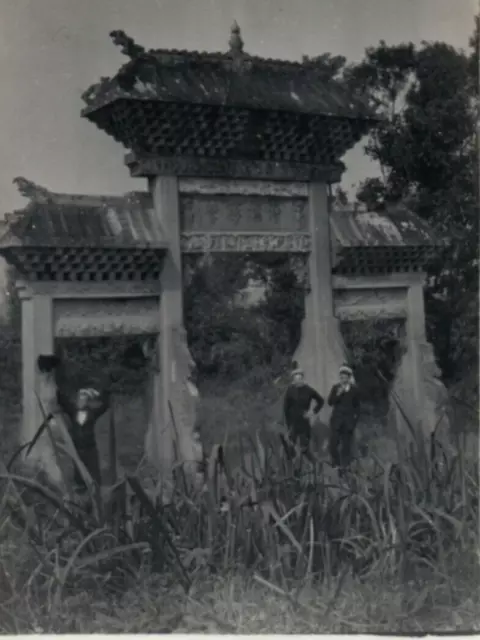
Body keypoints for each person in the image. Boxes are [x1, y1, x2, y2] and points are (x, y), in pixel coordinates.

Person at [57, 385, 110, 492]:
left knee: (93, 472)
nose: (82, 401)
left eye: (84, 399)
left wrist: (99, 393)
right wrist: (58, 386)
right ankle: (81, 492)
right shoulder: (73, 411)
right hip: (77, 449)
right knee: (79, 473)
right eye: (80, 398)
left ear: (87, 401)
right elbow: (62, 400)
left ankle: (95, 493)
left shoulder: (92, 413)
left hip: (90, 448)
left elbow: (105, 405)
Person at [283, 365, 324, 461]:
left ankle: (314, 465)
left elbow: (320, 401)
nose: (298, 380)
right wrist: (287, 423)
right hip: (293, 422)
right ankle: (292, 469)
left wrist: (312, 412)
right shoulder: (290, 390)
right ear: (293, 379)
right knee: (289, 447)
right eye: (296, 378)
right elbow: (286, 407)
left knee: (304, 448)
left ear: (302, 378)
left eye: (300, 378)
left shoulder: (308, 390)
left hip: (304, 422)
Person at [327, 364, 360, 470]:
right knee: (333, 445)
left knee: (346, 448)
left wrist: (354, 421)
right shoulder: (335, 388)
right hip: (337, 421)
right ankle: (336, 465)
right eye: (341, 375)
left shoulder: (354, 390)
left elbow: (357, 407)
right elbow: (330, 402)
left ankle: (345, 469)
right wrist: (338, 394)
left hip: (348, 423)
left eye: (344, 375)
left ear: (349, 377)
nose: (342, 377)